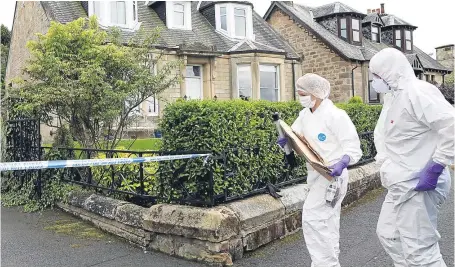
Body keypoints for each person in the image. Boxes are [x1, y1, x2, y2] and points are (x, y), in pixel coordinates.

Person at [370, 48, 454, 267]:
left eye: (377, 76)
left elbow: (451, 125)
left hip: (420, 182)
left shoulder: (418, 92)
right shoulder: (394, 97)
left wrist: (436, 166)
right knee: (389, 234)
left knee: (421, 251)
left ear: (390, 73)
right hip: (401, 182)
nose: (374, 82)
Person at [277, 73, 362, 267]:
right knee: (328, 221)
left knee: (314, 219)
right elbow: (296, 140)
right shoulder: (305, 115)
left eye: (302, 93)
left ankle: (324, 264)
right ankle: (330, 263)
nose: (300, 97)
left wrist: (343, 161)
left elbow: (353, 148)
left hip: (334, 175)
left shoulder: (336, 116)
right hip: (316, 174)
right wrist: (285, 143)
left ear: (315, 94)